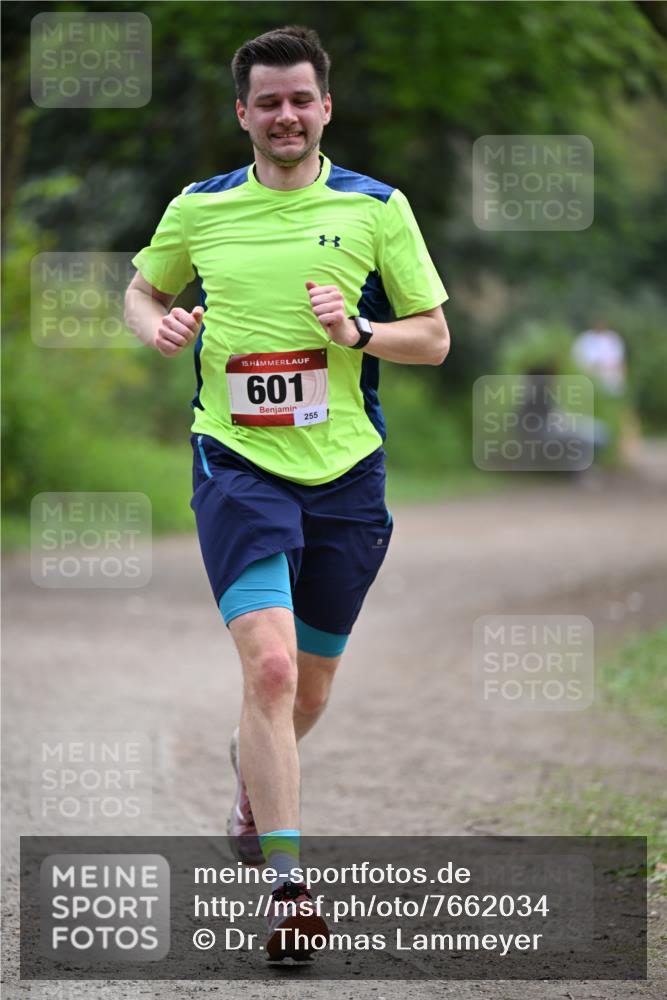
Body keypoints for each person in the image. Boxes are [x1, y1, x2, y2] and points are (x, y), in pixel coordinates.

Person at [124, 24, 449, 961]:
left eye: (300, 98)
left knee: (307, 688)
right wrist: (156, 325)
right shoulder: (200, 208)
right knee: (267, 671)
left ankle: (250, 784)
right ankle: (289, 892)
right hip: (236, 461)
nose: (285, 115)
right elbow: (141, 290)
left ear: (325, 107)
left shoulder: (376, 208)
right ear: (243, 113)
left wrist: (357, 333)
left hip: (345, 470)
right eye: (267, 102)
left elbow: (432, 338)